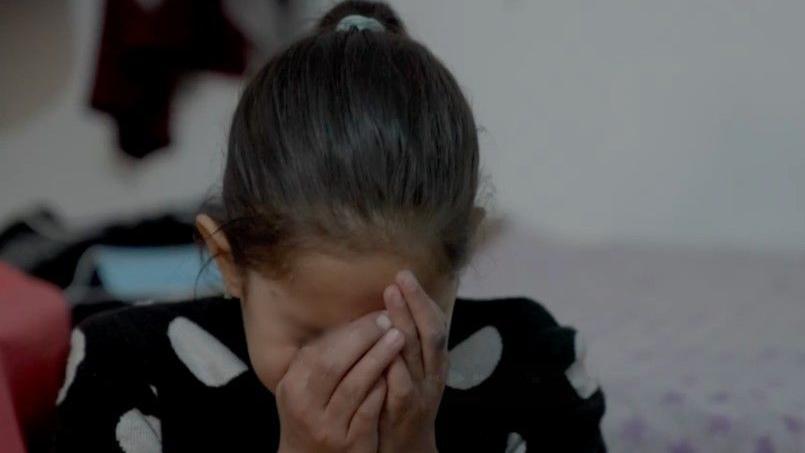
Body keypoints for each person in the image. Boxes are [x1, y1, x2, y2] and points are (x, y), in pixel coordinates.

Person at [50, 1, 606, 451]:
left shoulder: (535, 369)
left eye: (395, 337)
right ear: (230, 262)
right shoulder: (128, 371)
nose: (353, 373)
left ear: (458, 255)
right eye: (309, 339)